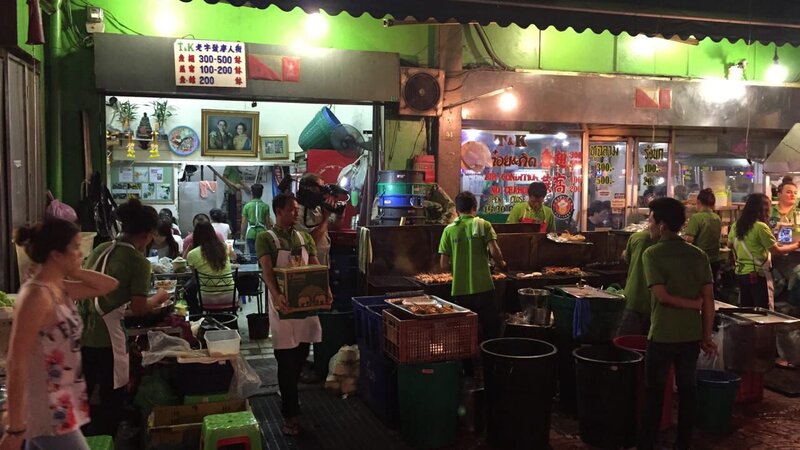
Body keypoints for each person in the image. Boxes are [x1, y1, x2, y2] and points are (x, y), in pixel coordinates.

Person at [2, 219, 118, 450]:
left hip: (62, 400)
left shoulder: (58, 287)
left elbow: (108, 285)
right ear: (56, 254)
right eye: (75, 247)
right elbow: (16, 362)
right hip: (45, 407)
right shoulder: (36, 296)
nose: (80, 253)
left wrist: (73, 270)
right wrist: (15, 427)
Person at [79, 199, 171, 437]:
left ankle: (85, 438)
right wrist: (160, 297)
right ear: (147, 234)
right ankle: (108, 439)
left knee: (84, 395)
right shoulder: (137, 262)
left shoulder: (101, 249)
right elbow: (139, 309)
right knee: (111, 397)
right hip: (108, 338)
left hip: (83, 331)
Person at [638, 197, 717, 450]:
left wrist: (692, 305)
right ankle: (683, 443)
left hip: (662, 334)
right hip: (691, 335)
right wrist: (706, 335)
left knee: (654, 392)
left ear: (662, 226)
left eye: (651, 220)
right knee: (687, 391)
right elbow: (709, 300)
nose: (649, 225)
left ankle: (647, 444)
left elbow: (662, 296)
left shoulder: (652, 253)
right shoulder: (698, 255)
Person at [257, 193, 331, 436]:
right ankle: (290, 416)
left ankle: (289, 394)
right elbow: (267, 271)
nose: (296, 213)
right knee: (286, 361)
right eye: (291, 209)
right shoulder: (266, 238)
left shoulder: (304, 237)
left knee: (300, 356)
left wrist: (326, 290)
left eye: (297, 209)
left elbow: (316, 266)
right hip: (283, 307)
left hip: (305, 306)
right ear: (278, 211)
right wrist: (277, 296)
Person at [439, 191, 507, 341]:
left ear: (457, 210)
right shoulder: (483, 225)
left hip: (460, 291)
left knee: (465, 334)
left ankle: (469, 357)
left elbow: (443, 264)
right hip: (484, 289)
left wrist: (459, 266)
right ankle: (489, 355)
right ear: (475, 207)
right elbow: (495, 252)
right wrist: (502, 264)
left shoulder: (448, 230)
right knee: (491, 331)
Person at [728, 194, 800, 309]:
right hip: (758, 274)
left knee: (746, 309)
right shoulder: (760, 227)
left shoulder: (736, 226)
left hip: (741, 273)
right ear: (763, 209)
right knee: (763, 310)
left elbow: (730, 244)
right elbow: (776, 251)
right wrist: (796, 245)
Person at [186, 222, 235, 314]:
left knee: (188, 289)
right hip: (230, 296)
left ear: (195, 236)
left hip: (206, 298)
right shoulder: (224, 247)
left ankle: (196, 318)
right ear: (213, 233)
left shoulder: (192, 254)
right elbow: (234, 257)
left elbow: (196, 276)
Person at [684, 189, 723, 299]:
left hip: (699, 260)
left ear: (699, 202)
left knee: (698, 292)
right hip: (714, 259)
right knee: (710, 290)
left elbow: (689, 239)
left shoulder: (696, 217)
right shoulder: (717, 218)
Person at [616, 229, 654, 336]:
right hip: (657, 304)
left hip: (634, 297)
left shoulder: (638, 237)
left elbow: (626, 258)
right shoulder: (675, 246)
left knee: (625, 339)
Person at [296, 173, 339, 266]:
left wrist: (339, 212)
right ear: (309, 189)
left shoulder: (318, 209)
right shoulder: (297, 213)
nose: (322, 193)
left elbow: (334, 225)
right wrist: (326, 218)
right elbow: (310, 242)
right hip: (308, 267)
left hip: (322, 263)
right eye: (320, 189)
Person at [241, 183, 272, 261]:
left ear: (252, 193)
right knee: (262, 256)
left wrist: (242, 235)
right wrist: (270, 234)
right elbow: (268, 223)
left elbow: (244, 223)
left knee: (253, 256)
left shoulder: (247, 206)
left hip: (251, 233)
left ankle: (254, 267)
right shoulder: (265, 206)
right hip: (262, 233)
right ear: (261, 193)